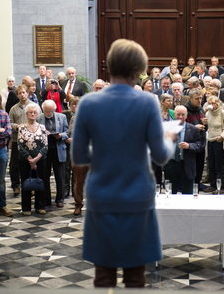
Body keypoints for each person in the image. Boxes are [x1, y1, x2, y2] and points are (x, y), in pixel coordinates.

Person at [72, 39, 175, 288]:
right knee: (135, 276)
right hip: (137, 197)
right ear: (139, 69)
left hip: (101, 197)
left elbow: (79, 157)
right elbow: (161, 156)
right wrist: (168, 138)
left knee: (103, 276)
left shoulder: (88, 103)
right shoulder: (147, 102)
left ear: (110, 65)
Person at [163, 105, 205, 194]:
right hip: (171, 165)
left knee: (188, 196)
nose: (180, 117)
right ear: (174, 115)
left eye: (183, 115)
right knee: (170, 194)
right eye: (178, 114)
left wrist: (189, 146)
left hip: (187, 165)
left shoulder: (193, 129)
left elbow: (200, 145)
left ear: (186, 116)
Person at [9, 85, 41, 197]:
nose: (22, 95)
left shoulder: (34, 106)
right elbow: (10, 123)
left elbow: (40, 120)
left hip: (32, 141)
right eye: (19, 93)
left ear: (27, 93)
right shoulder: (13, 108)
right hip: (17, 140)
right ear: (17, 95)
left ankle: (31, 185)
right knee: (15, 164)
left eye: (24, 92)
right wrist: (18, 127)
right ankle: (16, 185)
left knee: (32, 163)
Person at [37, 99, 69, 208]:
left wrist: (60, 136)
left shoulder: (62, 117)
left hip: (58, 148)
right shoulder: (38, 118)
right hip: (44, 150)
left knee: (60, 176)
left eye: (51, 111)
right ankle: (46, 199)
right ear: (43, 110)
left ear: (54, 109)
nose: (49, 113)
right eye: (46, 111)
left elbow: (67, 132)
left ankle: (60, 199)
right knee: (44, 176)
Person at [18, 104, 48, 215]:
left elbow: (45, 145)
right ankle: (26, 208)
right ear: (26, 114)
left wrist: (36, 159)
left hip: (41, 160)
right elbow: (20, 146)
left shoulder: (42, 127)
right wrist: (30, 159)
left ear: (37, 114)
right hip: (25, 160)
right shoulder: (21, 127)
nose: (32, 114)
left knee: (40, 182)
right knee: (26, 182)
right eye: (30, 112)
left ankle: (40, 206)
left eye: (34, 112)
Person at [205, 96, 224, 193]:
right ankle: (213, 185)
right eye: (210, 103)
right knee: (211, 164)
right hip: (210, 140)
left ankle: (221, 186)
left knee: (219, 165)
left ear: (218, 103)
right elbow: (209, 127)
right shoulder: (208, 113)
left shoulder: (223, 113)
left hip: (219, 141)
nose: (211, 105)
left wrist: (222, 136)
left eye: (213, 103)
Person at [185, 89, 207, 191]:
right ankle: (191, 184)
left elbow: (205, 127)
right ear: (190, 99)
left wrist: (205, 123)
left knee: (200, 165)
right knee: (191, 167)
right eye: (197, 98)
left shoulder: (201, 109)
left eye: (201, 98)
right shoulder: (185, 110)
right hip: (189, 143)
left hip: (201, 142)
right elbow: (182, 125)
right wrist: (194, 127)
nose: (199, 100)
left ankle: (198, 183)